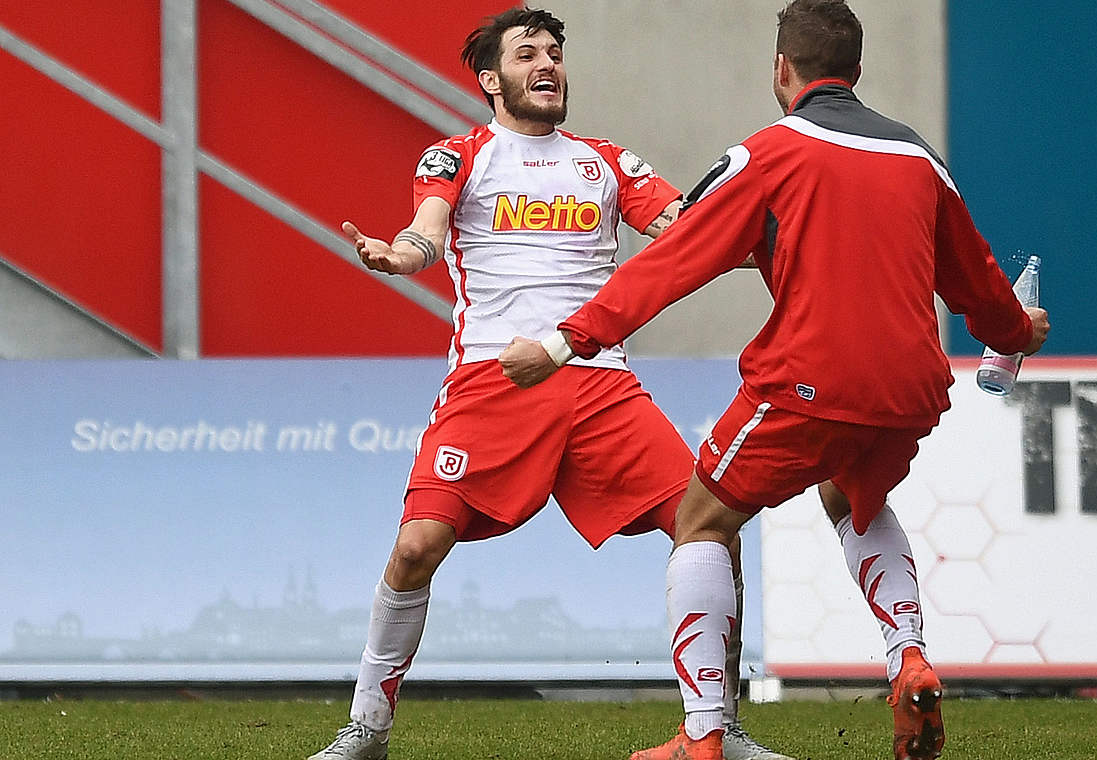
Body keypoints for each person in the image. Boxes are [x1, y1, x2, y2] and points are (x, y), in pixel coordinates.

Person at [497, 1, 1053, 758]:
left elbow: (670, 265)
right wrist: (1018, 334)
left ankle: (703, 739)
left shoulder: (770, 153)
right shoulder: (920, 159)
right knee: (854, 496)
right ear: (856, 72)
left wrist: (566, 341)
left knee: (700, 523)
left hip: (808, 382)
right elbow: (980, 287)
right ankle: (910, 656)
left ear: (781, 71)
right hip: (913, 391)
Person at [308, 8, 790, 760]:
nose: (548, 64)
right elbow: (426, 234)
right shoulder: (456, 154)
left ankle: (718, 728)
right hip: (492, 381)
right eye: (527, 53)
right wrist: (396, 256)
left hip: (600, 383)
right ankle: (368, 728)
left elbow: (683, 230)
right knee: (415, 549)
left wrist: (772, 239)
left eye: (556, 53)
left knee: (712, 526)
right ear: (490, 79)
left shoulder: (607, 161)